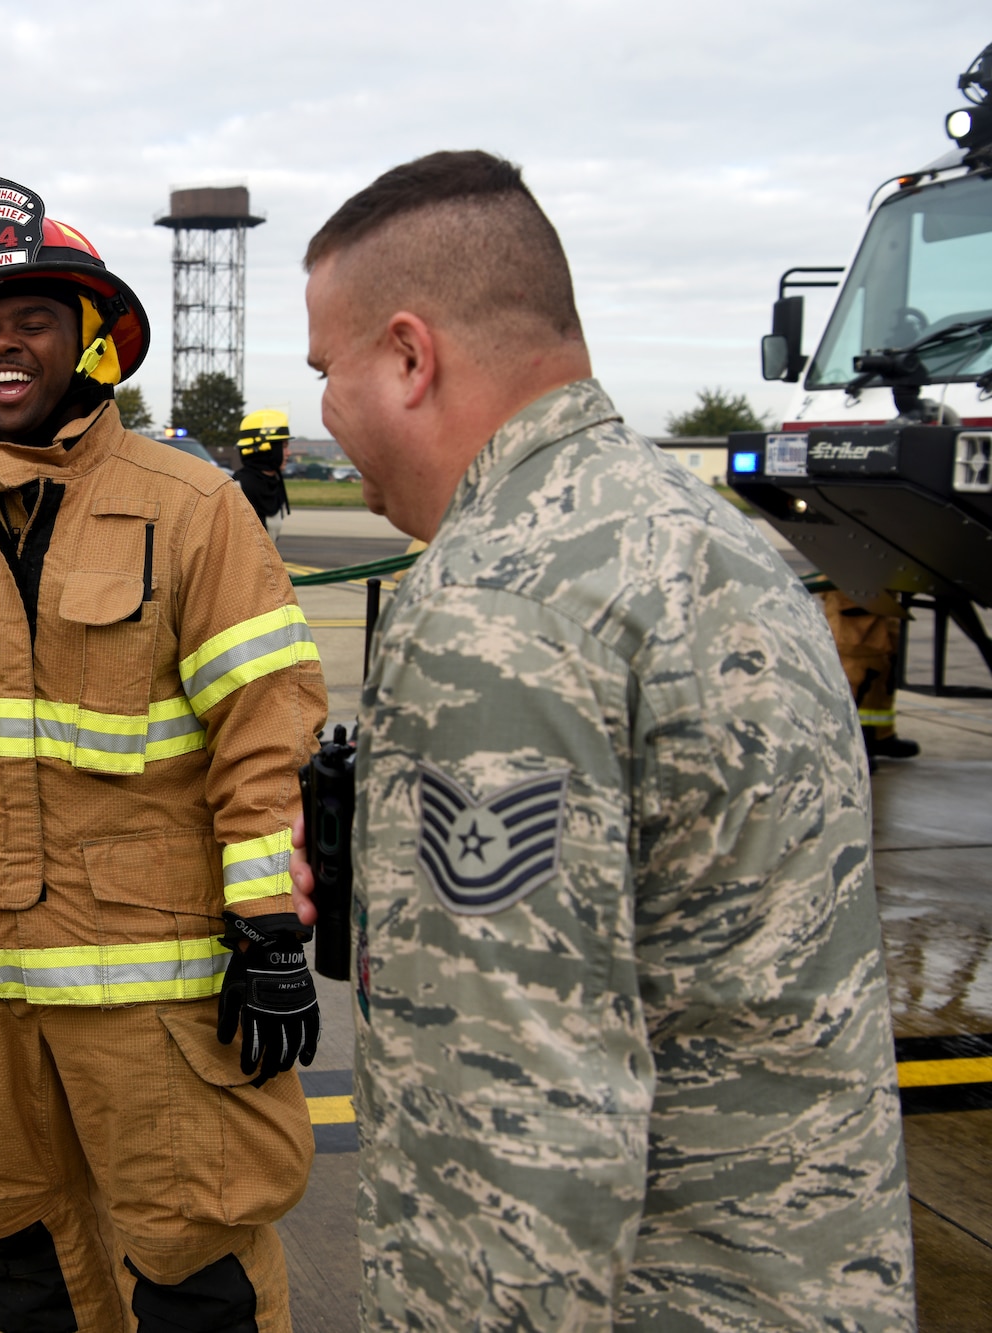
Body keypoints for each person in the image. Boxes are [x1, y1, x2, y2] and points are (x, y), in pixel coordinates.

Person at [300, 149, 914, 1328]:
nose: (324, 407)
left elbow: (506, 1125)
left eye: (330, 368)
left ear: (410, 356)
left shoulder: (493, 604)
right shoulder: (714, 543)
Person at [0, 172, 331, 1333]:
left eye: (34, 321)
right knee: (20, 1256)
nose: (4, 346)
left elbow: (264, 727)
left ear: (89, 340)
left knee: (191, 1261)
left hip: (156, 997)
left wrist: (266, 928)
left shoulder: (193, 505)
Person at [820, 590, 920, 761]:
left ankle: (878, 737)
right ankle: (845, 747)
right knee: (856, 671)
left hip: (880, 594)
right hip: (854, 595)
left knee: (882, 672)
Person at [232, 408, 292, 541]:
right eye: (283, 447)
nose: (289, 453)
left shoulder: (274, 486)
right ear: (267, 450)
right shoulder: (237, 489)